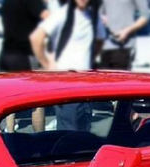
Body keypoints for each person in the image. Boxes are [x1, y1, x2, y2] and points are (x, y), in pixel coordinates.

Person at [30, 0, 104, 130]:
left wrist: (89, 59)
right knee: (69, 129)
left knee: (85, 129)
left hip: (86, 83)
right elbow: (36, 38)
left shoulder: (92, 16)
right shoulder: (63, 14)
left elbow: (99, 39)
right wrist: (47, 64)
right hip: (68, 82)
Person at [98, 0, 149, 70]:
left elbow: (145, 16)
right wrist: (102, 17)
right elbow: (99, 11)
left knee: (120, 76)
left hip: (124, 46)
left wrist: (127, 31)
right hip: (103, 46)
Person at [0, 0, 48, 71]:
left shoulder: (7, 2)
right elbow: (49, 18)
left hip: (7, 54)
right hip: (26, 55)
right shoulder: (31, 2)